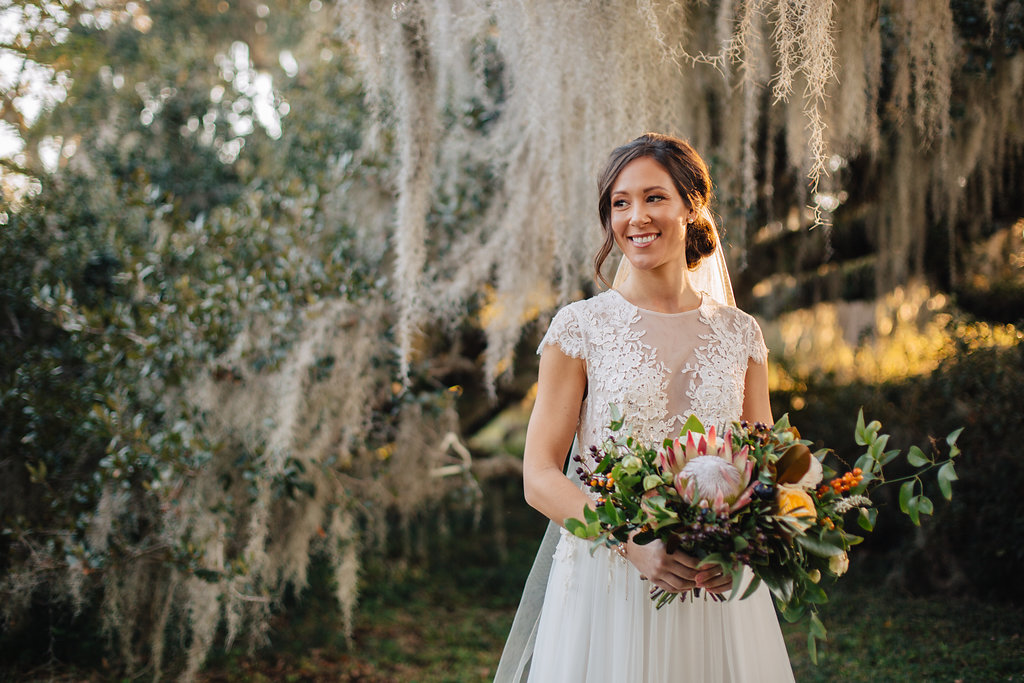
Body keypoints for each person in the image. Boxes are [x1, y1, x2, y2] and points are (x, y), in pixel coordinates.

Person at [494, 133, 795, 682]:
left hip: (714, 596)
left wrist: (741, 546)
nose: (636, 217)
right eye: (620, 202)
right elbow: (538, 476)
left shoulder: (741, 335)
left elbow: (765, 467)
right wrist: (630, 544)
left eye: (654, 197)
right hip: (605, 586)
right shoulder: (579, 329)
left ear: (691, 207)